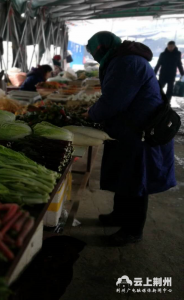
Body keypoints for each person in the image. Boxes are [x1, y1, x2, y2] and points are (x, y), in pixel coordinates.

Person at [84, 31, 176, 245]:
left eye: (93, 52)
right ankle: (119, 215)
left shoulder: (127, 63)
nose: (94, 56)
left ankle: (132, 230)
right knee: (126, 175)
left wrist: (91, 114)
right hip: (129, 129)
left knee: (136, 180)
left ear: (102, 48)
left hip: (142, 131)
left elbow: (114, 101)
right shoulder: (120, 59)